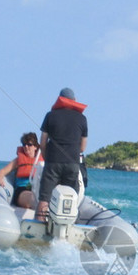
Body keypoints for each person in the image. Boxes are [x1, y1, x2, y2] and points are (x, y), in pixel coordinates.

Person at [35, 87, 87, 221]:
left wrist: (47, 158)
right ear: (74, 100)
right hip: (72, 164)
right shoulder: (82, 119)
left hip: (53, 162)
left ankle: (39, 225)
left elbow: (42, 142)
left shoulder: (50, 115)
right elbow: (82, 147)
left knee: (44, 198)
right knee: (70, 197)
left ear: (59, 100)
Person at [0, 132, 44, 209]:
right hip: (23, 190)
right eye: (24, 144)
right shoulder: (18, 161)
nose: (26, 147)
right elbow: (2, 171)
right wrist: (0, 179)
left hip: (38, 189)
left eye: (29, 144)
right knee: (32, 198)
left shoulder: (43, 161)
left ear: (35, 147)